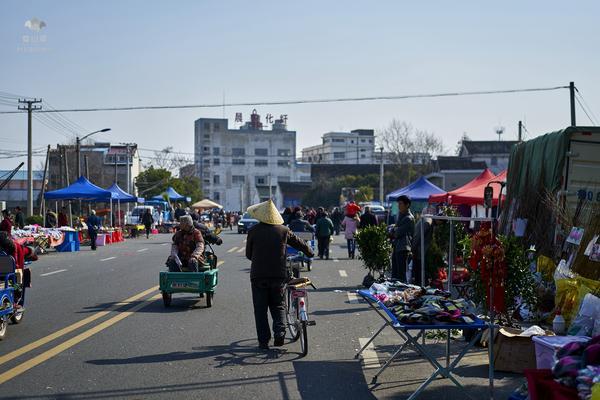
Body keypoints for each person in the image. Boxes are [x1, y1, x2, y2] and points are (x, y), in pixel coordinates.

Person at [245, 200, 314, 350]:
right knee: (278, 305)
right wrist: (310, 252)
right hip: (278, 275)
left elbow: (248, 254)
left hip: (258, 276)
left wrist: (258, 259)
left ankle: (263, 342)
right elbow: (299, 243)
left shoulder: (253, 231)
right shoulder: (283, 230)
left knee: (260, 309)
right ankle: (280, 334)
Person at [411, 214, 443, 286]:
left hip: (419, 251)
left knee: (418, 272)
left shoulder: (428, 219)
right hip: (418, 251)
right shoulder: (428, 223)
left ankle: (419, 286)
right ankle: (420, 288)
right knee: (419, 273)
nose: (439, 225)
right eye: (440, 223)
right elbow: (418, 236)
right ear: (438, 220)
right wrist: (413, 249)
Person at [391, 195, 415, 282]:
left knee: (400, 273)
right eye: (398, 203)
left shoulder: (408, 218)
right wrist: (394, 230)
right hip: (398, 246)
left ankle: (401, 291)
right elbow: (394, 230)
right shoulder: (401, 215)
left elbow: (396, 233)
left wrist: (394, 230)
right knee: (395, 272)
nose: (398, 206)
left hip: (403, 248)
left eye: (400, 203)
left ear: (407, 205)